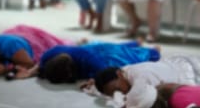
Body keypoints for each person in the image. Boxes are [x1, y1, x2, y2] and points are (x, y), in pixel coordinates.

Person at [94, 53, 200, 108]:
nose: (120, 94)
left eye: (117, 89)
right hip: (177, 64)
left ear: (119, 74)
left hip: (190, 71)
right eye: (112, 94)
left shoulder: (141, 78)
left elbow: (137, 105)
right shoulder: (124, 71)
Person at [32, 41, 160, 84]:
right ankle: (134, 42)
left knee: (127, 58)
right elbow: (39, 67)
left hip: (100, 54)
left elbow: (106, 73)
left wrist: (94, 81)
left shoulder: (90, 59)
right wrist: (30, 72)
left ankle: (153, 49)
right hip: (88, 48)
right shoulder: (47, 56)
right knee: (115, 47)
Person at [0, 24, 65, 76]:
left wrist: (6, 70)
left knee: (53, 55)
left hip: (30, 42)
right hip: (9, 36)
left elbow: (31, 65)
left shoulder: (14, 50)